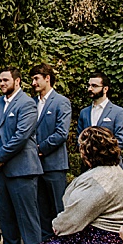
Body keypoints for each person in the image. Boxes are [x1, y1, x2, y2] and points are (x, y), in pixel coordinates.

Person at [0, 67, 43, 244]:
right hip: (1, 170)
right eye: (0, 80)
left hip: (22, 169)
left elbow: (21, 136)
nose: (1, 83)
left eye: (5, 80)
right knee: (6, 215)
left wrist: (0, 155)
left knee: (27, 217)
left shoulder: (27, 103)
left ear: (17, 82)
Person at [31, 64, 72, 222]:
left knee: (59, 209)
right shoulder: (31, 103)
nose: (33, 83)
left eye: (36, 78)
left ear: (47, 78)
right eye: (32, 79)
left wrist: (40, 149)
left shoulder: (61, 102)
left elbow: (61, 133)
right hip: (35, 166)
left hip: (54, 165)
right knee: (41, 210)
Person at [77, 72, 123, 148]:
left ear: (105, 89)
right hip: (87, 159)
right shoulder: (84, 112)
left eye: (94, 86)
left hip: (110, 159)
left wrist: (99, 152)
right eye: (89, 85)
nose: (89, 89)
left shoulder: (119, 112)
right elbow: (79, 139)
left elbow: (120, 141)